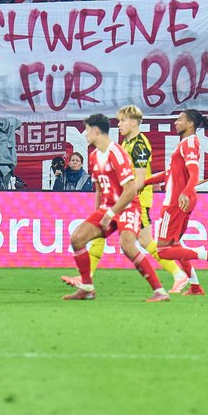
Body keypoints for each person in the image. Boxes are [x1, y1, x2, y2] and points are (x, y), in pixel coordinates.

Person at [60, 112, 168, 302]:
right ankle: (87, 288)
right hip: (107, 207)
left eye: (86, 130)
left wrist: (110, 213)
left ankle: (160, 291)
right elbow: (100, 190)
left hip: (127, 207)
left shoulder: (117, 154)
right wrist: (98, 213)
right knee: (77, 238)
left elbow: (130, 191)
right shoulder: (93, 156)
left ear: (95, 131)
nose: (85, 135)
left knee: (127, 245)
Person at [150, 109, 208, 296]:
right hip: (183, 200)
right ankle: (195, 286)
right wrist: (142, 183)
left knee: (162, 250)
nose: (176, 122)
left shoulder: (189, 143)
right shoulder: (184, 144)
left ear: (190, 124)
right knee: (176, 246)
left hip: (176, 202)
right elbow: (168, 174)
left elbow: (194, 172)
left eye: (180, 119)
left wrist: (184, 192)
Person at [90, 105, 156, 285]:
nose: (118, 124)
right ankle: (86, 277)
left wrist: (125, 193)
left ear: (134, 123)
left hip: (137, 200)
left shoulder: (140, 145)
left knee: (144, 242)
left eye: (122, 120)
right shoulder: (125, 143)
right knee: (100, 230)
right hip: (124, 199)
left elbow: (141, 180)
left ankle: (179, 273)